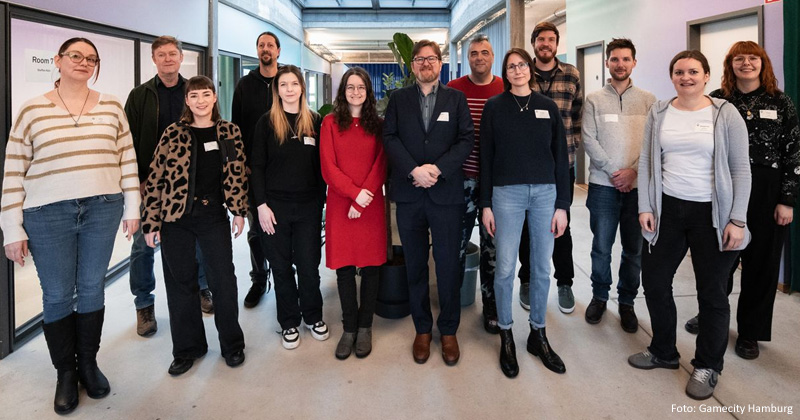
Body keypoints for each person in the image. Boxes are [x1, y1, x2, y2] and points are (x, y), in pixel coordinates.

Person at [0, 37, 140, 414]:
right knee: (58, 294)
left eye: (91, 58)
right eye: (75, 56)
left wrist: (133, 207)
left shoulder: (111, 106)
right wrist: (12, 228)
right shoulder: (32, 109)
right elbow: (13, 171)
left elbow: (127, 159)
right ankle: (65, 372)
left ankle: (88, 365)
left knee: (92, 287)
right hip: (47, 213)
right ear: (58, 60)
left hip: (103, 207)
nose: (83, 62)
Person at [628, 50, 751, 401]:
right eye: (679, 72)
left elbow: (741, 169)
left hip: (712, 214)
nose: (686, 77)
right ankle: (663, 351)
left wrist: (737, 219)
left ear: (706, 76)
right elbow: (648, 161)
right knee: (654, 282)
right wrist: (646, 205)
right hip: (667, 209)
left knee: (711, 292)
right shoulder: (660, 112)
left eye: (693, 71)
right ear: (672, 77)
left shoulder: (725, 114)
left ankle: (708, 365)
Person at [683, 41, 800, 360]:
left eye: (752, 58)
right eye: (739, 59)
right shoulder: (717, 100)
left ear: (763, 63)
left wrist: (787, 199)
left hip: (767, 190)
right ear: (730, 65)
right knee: (717, 260)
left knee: (761, 265)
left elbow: (793, 152)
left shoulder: (780, 102)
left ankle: (750, 331)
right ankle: (710, 314)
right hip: (724, 188)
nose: (746, 63)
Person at [141, 75, 247, 376]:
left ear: (214, 97)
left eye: (206, 94)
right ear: (187, 100)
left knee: (223, 282)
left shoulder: (228, 131)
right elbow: (156, 179)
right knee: (181, 284)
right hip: (176, 220)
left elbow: (237, 174)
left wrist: (239, 211)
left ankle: (232, 345)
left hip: (213, 216)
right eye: (194, 96)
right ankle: (188, 349)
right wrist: (151, 222)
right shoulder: (173, 133)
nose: (200, 101)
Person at [383, 40, 473, 366]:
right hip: (410, 195)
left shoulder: (456, 99)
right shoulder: (398, 99)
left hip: (445, 194)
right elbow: (389, 137)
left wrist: (437, 169)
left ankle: (448, 330)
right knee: (416, 264)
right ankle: (422, 328)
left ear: (440, 63)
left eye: (431, 58)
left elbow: (466, 139)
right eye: (419, 59)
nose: (425, 63)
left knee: (448, 265)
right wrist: (413, 170)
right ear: (412, 65)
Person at [480, 48, 569, 378]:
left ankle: (537, 333)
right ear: (505, 73)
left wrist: (563, 206)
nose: (517, 70)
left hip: (545, 193)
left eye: (522, 65)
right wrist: (486, 203)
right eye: (511, 67)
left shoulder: (548, 107)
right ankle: (506, 333)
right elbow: (486, 156)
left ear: (530, 69)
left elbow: (561, 156)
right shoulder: (494, 107)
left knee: (542, 268)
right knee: (504, 267)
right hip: (506, 194)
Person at [124, 35, 211, 339]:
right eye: (161, 55)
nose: (167, 59)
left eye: (172, 54)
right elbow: (128, 141)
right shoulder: (140, 96)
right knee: (142, 245)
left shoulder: (193, 91)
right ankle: (144, 304)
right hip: (150, 184)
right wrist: (137, 179)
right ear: (154, 59)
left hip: (190, 184)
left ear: (181, 57)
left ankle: (202, 288)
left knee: (196, 240)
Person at [250, 65, 327, 350]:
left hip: (308, 207)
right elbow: (257, 166)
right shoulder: (266, 123)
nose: (289, 89)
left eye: (294, 84)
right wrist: (261, 205)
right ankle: (289, 321)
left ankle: (313, 316)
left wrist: (321, 203)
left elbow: (323, 166)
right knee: (281, 267)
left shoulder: (316, 121)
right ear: (277, 90)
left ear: (302, 88)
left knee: (309, 266)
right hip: (275, 208)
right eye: (283, 84)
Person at [581, 38, 655, 332]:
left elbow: (652, 143)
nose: (620, 64)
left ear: (634, 62)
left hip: (638, 189)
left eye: (626, 59)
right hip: (603, 186)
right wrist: (615, 173)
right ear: (607, 63)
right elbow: (589, 140)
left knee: (633, 250)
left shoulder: (649, 100)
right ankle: (600, 296)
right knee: (601, 247)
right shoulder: (594, 99)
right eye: (615, 59)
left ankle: (627, 302)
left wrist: (633, 173)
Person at [320, 67, 387, 359]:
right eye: (350, 87)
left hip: (369, 205)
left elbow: (382, 164)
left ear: (368, 92)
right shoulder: (330, 123)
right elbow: (328, 167)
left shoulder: (379, 125)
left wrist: (361, 199)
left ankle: (365, 326)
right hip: (340, 204)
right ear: (343, 91)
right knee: (344, 267)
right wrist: (353, 194)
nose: (356, 92)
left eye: (361, 87)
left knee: (371, 267)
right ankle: (349, 327)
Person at [517, 21, 583, 314]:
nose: (546, 44)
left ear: (557, 43)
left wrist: (571, 146)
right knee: (526, 227)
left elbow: (578, 115)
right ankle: (527, 279)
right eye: (541, 39)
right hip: (527, 166)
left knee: (561, 226)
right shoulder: (522, 72)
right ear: (534, 43)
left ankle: (564, 283)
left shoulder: (571, 74)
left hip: (561, 166)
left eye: (551, 39)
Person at [446, 34, 505, 334]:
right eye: (473, 53)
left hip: (496, 185)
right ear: (467, 58)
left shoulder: (505, 88)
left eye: (485, 52)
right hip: (462, 182)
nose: (479, 57)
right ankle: (452, 304)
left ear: (493, 57)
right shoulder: (453, 89)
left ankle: (491, 305)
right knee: (455, 245)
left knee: (492, 249)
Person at [232, 31, 280, 308]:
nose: (265, 49)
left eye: (270, 45)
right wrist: (242, 164)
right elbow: (235, 128)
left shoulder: (287, 81)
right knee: (255, 231)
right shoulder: (244, 85)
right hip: (252, 171)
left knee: (283, 227)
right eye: (261, 45)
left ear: (278, 51)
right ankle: (259, 279)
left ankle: (285, 275)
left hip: (283, 170)